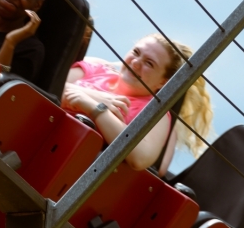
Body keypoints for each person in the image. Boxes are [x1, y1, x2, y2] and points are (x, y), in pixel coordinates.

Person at [61, 34, 213, 172]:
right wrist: (96, 97)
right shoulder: (96, 68)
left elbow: (140, 158)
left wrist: (96, 109)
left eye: (149, 63)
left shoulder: (155, 114)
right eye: (136, 52)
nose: (136, 63)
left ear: (163, 82)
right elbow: (50, 85)